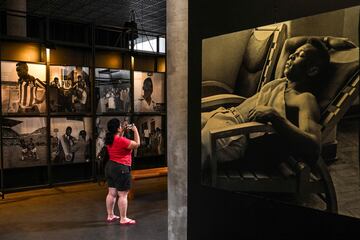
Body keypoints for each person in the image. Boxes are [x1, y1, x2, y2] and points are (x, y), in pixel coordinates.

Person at [201, 38, 331, 180]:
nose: (291, 55)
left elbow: (314, 145)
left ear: (312, 70)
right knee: (176, 126)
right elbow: (288, 43)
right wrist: (327, 40)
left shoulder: (304, 98)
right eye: (294, 53)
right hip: (221, 115)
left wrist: (275, 116)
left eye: (300, 55)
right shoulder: (281, 82)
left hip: (233, 132)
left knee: (185, 152)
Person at [104, 118, 140, 225]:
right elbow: (137, 144)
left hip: (110, 167)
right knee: (123, 195)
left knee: (111, 193)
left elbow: (119, 139)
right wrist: (135, 130)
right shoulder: (121, 140)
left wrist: (122, 130)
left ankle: (110, 215)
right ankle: (123, 218)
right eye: (120, 126)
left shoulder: (110, 139)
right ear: (118, 129)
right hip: (121, 168)